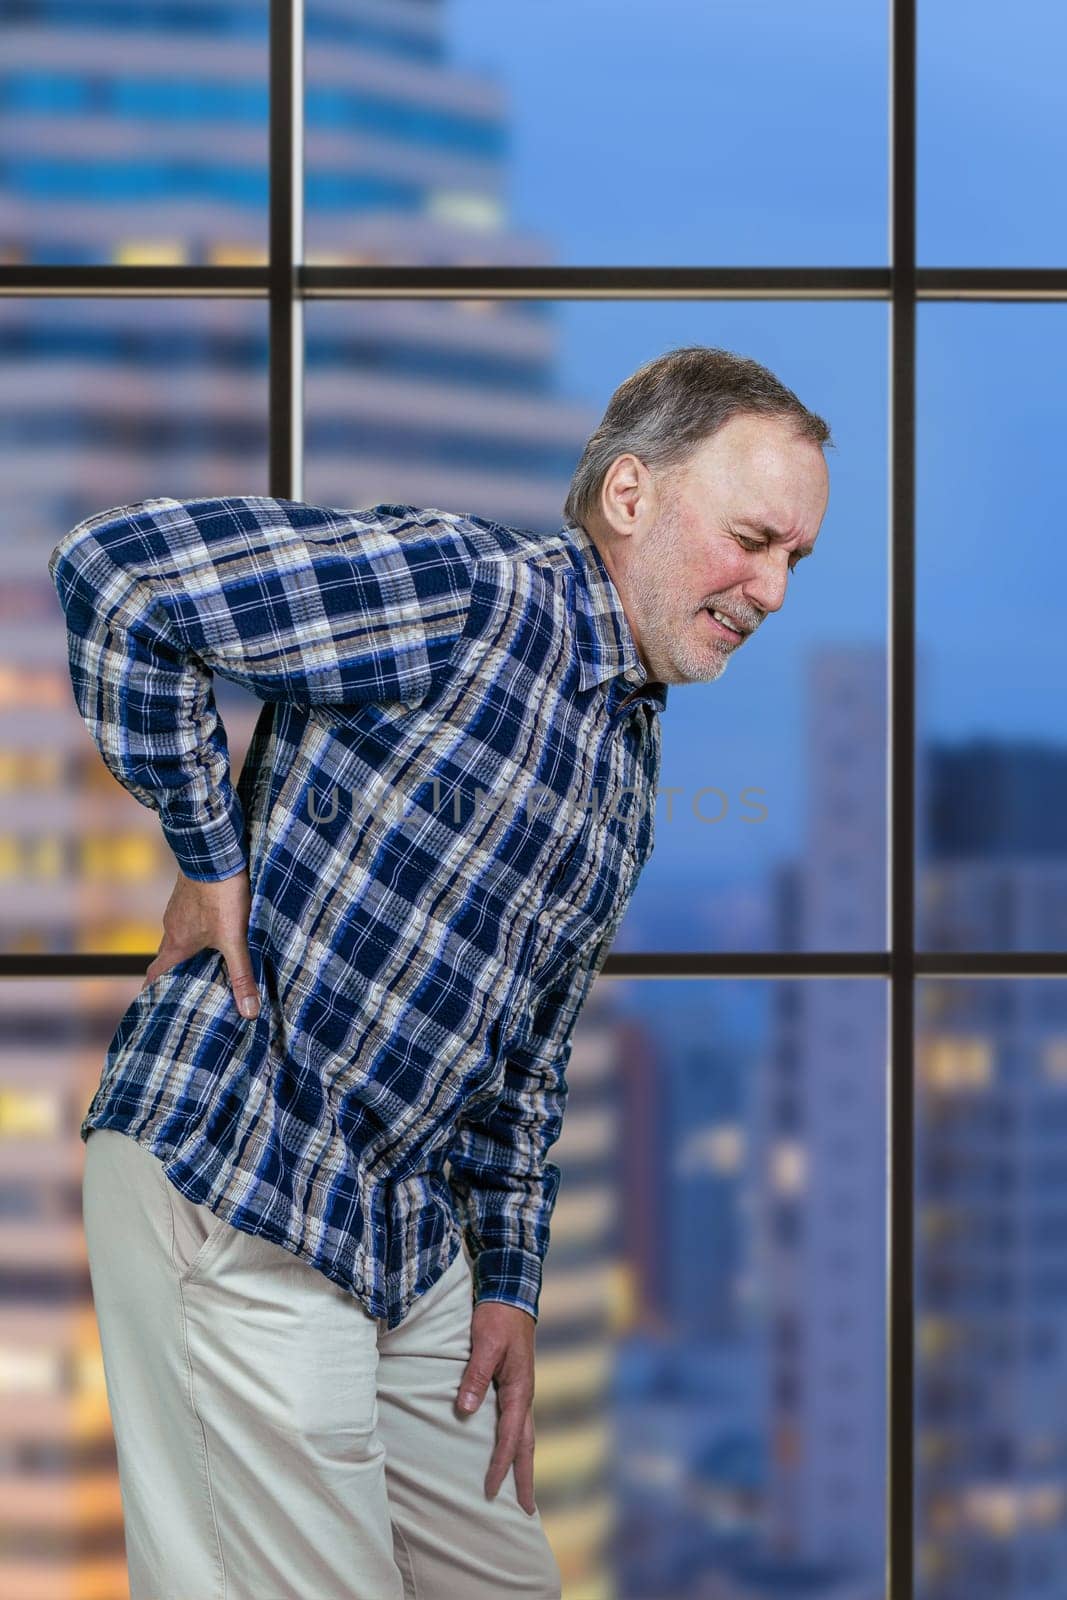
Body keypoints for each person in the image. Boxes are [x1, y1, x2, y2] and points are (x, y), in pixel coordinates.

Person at [50, 345, 831, 1600]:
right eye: (753, 538)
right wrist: (208, 852)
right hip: (243, 1164)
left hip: (404, 1233)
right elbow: (118, 573)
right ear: (630, 496)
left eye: (795, 558)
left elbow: (527, 1057)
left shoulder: (623, 762)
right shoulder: (465, 592)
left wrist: (510, 1285)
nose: (774, 590)